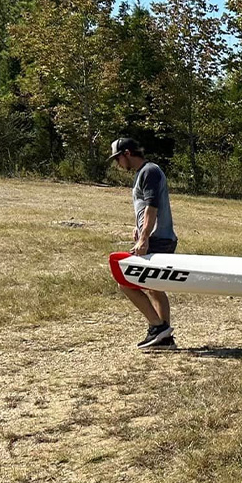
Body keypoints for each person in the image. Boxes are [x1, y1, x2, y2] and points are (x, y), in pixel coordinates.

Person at [107, 137, 178, 350]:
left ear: (127, 153)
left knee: (126, 282)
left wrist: (144, 238)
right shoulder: (145, 173)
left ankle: (157, 327)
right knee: (155, 288)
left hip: (157, 240)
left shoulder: (149, 171)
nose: (118, 164)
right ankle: (164, 338)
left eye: (117, 158)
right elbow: (144, 208)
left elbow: (151, 207)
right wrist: (138, 228)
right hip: (157, 238)